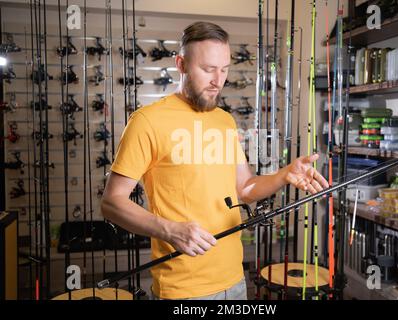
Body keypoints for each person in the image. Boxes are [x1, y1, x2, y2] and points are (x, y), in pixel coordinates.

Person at [101, 21, 329, 300]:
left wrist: (284, 174)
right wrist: (171, 230)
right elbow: (112, 202)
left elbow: (244, 188)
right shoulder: (147, 121)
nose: (218, 80)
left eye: (224, 69)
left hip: (235, 280)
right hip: (184, 289)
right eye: (208, 69)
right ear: (181, 64)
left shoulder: (224, 120)